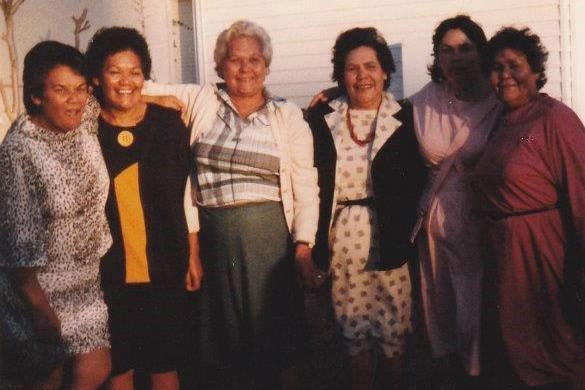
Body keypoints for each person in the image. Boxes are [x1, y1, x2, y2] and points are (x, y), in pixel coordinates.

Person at [142, 19, 321, 390]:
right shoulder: (202, 99)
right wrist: (165, 101)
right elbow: (135, 87)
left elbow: (305, 185)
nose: (245, 68)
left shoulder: (287, 116)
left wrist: (303, 248)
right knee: (225, 345)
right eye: (235, 60)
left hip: (270, 244)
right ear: (220, 65)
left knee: (279, 340)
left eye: (254, 60)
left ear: (266, 66)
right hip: (216, 242)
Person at [305, 27, 426, 390]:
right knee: (354, 334)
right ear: (342, 76)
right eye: (352, 68)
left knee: (393, 336)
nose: (363, 76)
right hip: (342, 243)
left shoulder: (407, 118)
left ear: (386, 71)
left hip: (390, 240)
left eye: (370, 66)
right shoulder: (322, 118)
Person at [85, 27, 198, 390]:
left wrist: (193, 254)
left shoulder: (168, 125)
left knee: (164, 362)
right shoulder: (85, 128)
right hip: (108, 269)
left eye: (134, 71)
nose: (125, 81)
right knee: (121, 367)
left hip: (165, 262)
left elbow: (186, 193)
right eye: (114, 71)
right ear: (97, 78)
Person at [474, 27, 585, 390]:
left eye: (514, 65)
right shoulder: (498, 121)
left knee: (554, 346)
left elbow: (581, 194)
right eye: (495, 67)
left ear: (535, 70)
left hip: (542, 249)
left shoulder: (555, 118)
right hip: (503, 252)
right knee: (513, 348)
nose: (504, 75)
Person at [0, 41, 112, 390]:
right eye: (61, 91)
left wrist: (161, 101)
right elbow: (18, 245)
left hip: (86, 282)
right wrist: (38, 308)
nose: (75, 99)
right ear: (36, 96)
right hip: (38, 289)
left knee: (96, 368)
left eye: (80, 89)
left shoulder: (82, 119)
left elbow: (118, 94)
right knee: (50, 379)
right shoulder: (18, 152)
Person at [409, 15, 501, 383]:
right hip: (433, 218)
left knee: (475, 308)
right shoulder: (425, 98)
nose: (457, 57)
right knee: (440, 309)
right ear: (438, 57)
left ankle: (481, 374)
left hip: (477, 218)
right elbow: (381, 109)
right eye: (447, 50)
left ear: (480, 51)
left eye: (466, 48)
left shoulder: (498, 98)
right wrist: (334, 95)